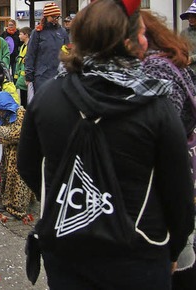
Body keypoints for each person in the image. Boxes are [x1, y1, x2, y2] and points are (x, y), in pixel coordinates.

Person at [17, 0, 194, 288]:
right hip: (138, 254)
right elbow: (178, 191)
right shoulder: (154, 104)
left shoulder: (47, 98)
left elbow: (29, 166)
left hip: (67, 249)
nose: (144, 41)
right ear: (126, 42)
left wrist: (71, 200)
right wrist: (173, 248)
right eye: (140, 34)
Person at [140, 10, 196, 289]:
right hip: (174, 166)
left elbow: (163, 133)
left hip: (168, 172)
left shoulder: (156, 67)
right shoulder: (161, 61)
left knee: (179, 250)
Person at [0, 91, 34, 220]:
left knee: (18, 181)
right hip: (9, 153)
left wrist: (0, 131)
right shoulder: (5, 116)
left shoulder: (21, 114)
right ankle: (8, 204)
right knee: (7, 178)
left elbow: (17, 134)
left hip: (21, 154)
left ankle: (18, 210)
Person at [24, 2, 69, 93]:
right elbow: (30, 55)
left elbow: (68, 52)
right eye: (53, 17)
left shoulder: (63, 32)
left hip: (59, 75)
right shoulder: (37, 32)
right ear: (46, 16)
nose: (56, 19)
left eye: (57, 17)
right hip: (42, 76)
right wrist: (29, 76)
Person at [14, 27, 31, 106]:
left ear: (26, 35)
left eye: (20, 34)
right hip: (21, 75)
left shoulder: (30, 47)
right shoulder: (23, 46)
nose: (19, 36)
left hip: (25, 76)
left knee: (27, 98)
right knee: (23, 98)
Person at [180, 0, 196, 71]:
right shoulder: (184, 33)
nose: (190, 19)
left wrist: (192, 59)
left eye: (193, 17)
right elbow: (180, 48)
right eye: (189, 17)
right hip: (187, 70)